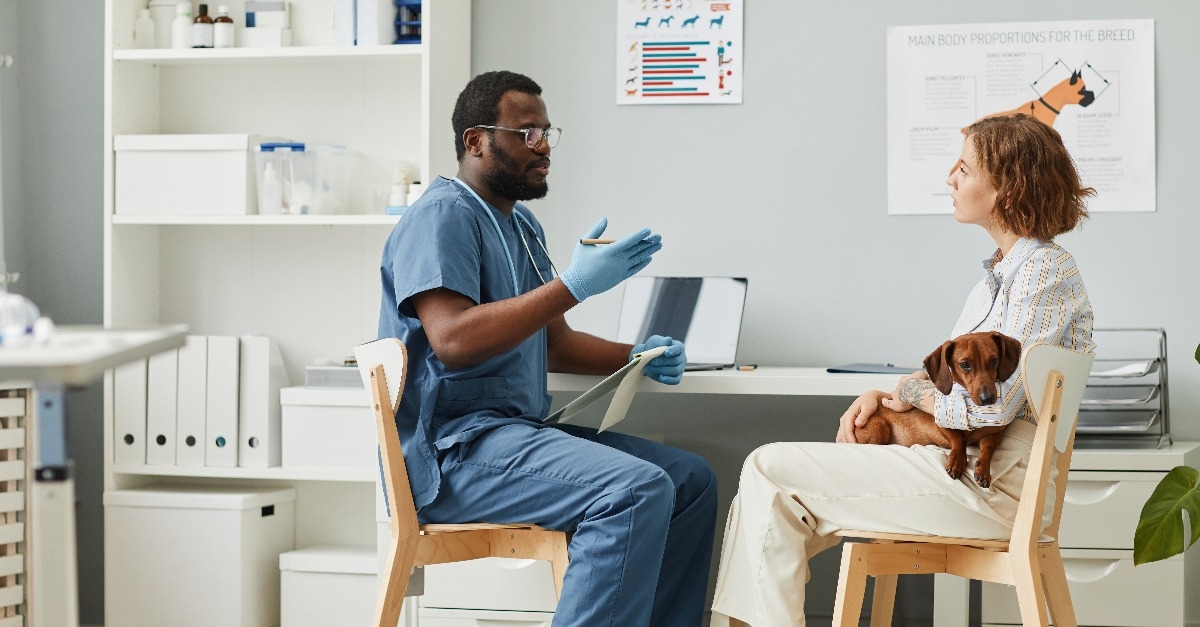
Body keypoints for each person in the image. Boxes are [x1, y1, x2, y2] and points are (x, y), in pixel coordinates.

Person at [711, 113, 1096, 626]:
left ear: (1006, 190)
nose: (950, 178)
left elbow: (992, 405)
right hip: (964, 466)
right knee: (768, 499)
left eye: (964, 169)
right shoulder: (1001, 277)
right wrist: (891, 396)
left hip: (995, 484)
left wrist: (913, 395)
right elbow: (953, 385)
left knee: (767, 472)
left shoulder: (1043, 270)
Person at [377, 70, 718, 627]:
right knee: (633, 491)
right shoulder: (442, 216)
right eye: (527, 133)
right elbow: (453, 340)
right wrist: (574, 285)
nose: (543, 147)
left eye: (547, 133)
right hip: (450, 454)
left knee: (689, 481)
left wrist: (638, 357)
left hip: (510, 436)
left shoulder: (523, 225)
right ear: (475, 140)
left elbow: (555, 343)